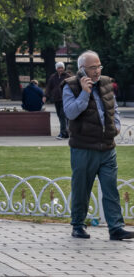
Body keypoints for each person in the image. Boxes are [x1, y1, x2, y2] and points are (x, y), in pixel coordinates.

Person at [64, 51, 134, 240]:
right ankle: (78, 225)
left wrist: (116, 126)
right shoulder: (71, 86)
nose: (97, 71)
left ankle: (116, 228)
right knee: (81, 189)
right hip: (83, 148)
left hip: (107, 147)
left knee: (111, 189)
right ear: (82, 69)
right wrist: (84, 93)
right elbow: (70, 113)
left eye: (99, 66)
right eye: (92, 67)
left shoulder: (106, 83)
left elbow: (114, 108)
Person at [45, 61, 71, 139]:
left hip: (65, 99)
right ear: (56, 69)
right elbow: (49, 87)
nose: (60, 69)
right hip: (56, 99)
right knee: (60, 116)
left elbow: (73, 86)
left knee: (63, 115)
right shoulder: (53, 77)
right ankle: (66, 132)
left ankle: (62, 133)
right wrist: (45, 96)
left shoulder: (67, 76)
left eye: (62, 68)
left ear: (64, 68)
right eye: (59, 68)